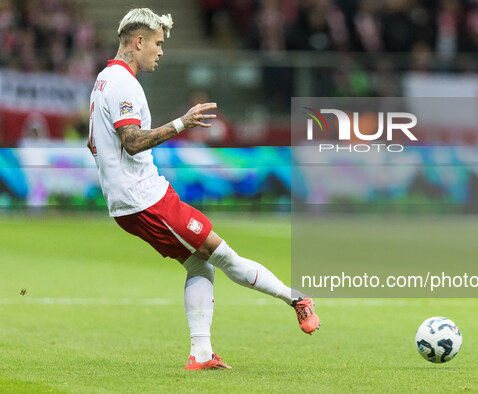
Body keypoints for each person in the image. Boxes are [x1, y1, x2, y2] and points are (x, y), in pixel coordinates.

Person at [87, 8, 319, 371]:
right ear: (138, 41)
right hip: (145, 200)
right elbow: (131, 142)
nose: (160, 51)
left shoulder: (103, 79)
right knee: (223, 255)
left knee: (200, 266)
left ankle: (202, 355)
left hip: (129, 201)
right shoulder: (123, 84)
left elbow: (94, 144)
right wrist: (182, 122)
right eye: (158, 44)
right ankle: (297, 299)